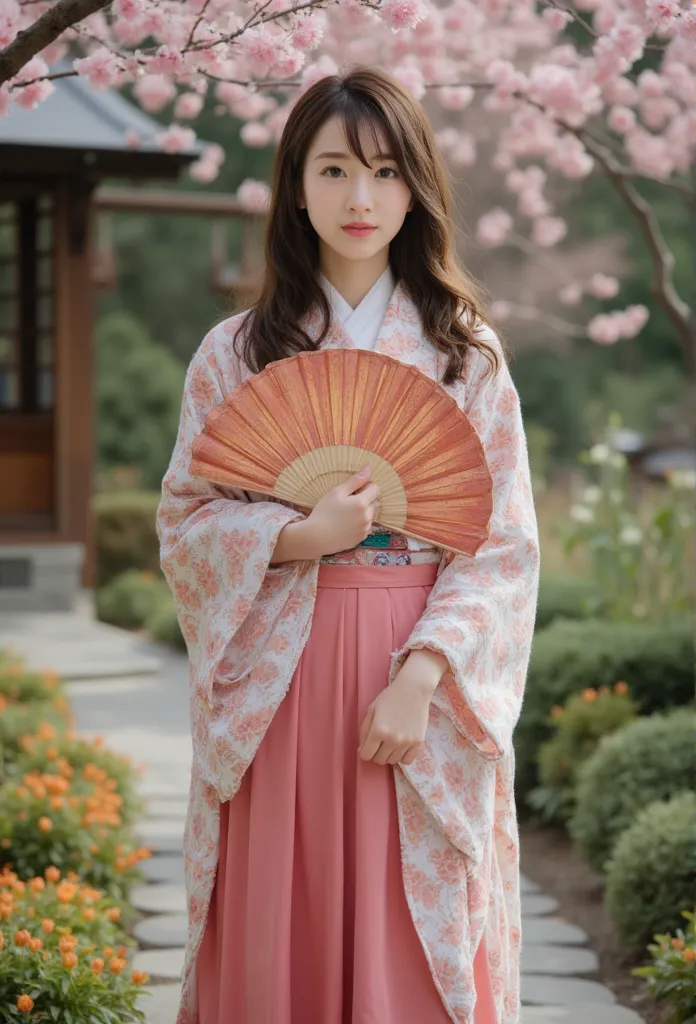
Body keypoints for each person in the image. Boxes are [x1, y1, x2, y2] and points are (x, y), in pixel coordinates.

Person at [157, 66, 540, 1024]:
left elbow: (502, 549)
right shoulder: (237, 352)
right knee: (281, 911)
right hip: (279, 671)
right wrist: (294, 535)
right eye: (332, 171)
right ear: (295, 185)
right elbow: (186, 522)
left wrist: (423, 674)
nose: (359, 198)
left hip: (413, 668)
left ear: (416, 187)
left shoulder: (466, 356)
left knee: (408, 917)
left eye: (382, 171)